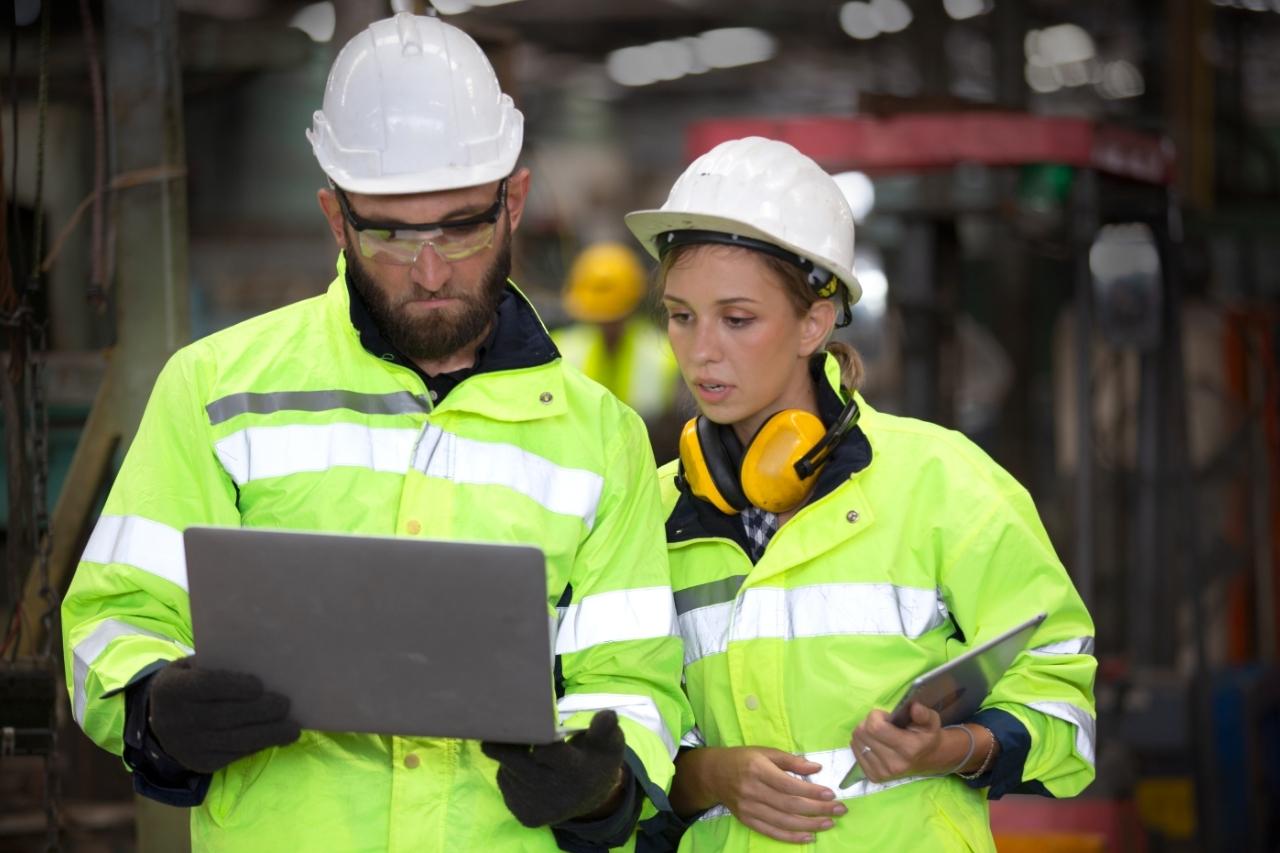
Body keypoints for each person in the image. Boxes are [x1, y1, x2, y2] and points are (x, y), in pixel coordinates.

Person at [61, 14, 687, 851]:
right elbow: (114, 616)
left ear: (515, 202)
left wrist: (600, 784)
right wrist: (153, 703)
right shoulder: (217, 391)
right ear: (334, 217)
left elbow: (633, 680)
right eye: (389, 232)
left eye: (461, 226)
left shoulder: (598, 435)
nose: (429, 271)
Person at [624, 137, 1097, 850]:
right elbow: (613, 731)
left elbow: (1060, 680)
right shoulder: (649, 515)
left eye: (738, 317)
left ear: (815, 321)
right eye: (681, 314)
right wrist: (709, 774)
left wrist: (955, 747)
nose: (700, 350)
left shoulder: (941, 481)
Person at [552, 242, 683, 456]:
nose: (606, 325)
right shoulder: (559, 351)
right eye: (598, 316)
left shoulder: (664, 354)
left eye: (612, 317)